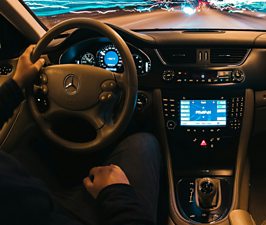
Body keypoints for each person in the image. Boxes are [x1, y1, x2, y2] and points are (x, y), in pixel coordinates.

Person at [0, 45, 161, 225]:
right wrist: (117, 192)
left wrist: (17, 83)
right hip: (48, 213)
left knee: (34, 147)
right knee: (144, 143)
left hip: (30, 197)